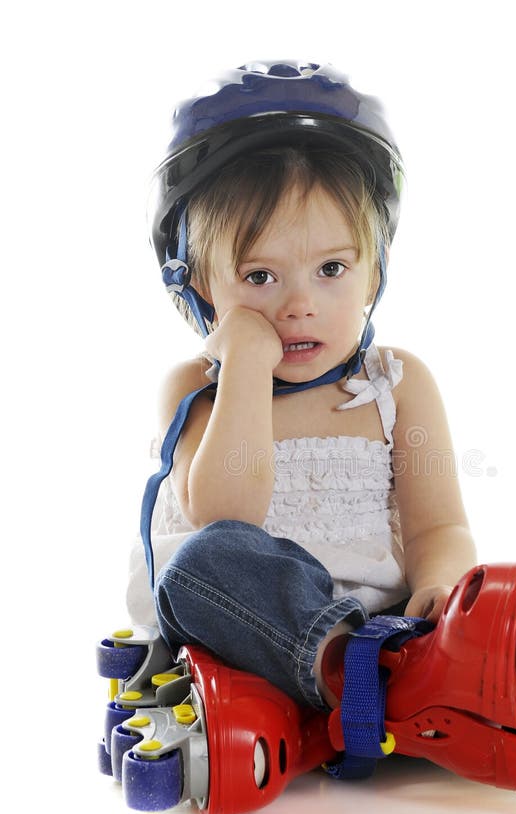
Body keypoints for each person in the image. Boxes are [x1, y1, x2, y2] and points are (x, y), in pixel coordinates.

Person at [127, 61, 477, 710]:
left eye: (332, 269)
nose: (298, 305)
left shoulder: (398, 385)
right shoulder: (195, 388)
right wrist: (247, 368)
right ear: (201, 287)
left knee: (485, 592)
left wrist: (443, 588)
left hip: (392, 628)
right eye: (260, 277)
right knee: (203, 564)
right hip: (248, 643)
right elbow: (227, 517)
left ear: (375, 274)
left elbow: (440, 529)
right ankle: (355, 676)